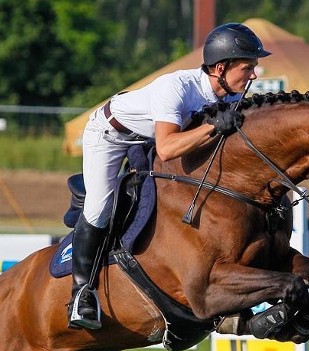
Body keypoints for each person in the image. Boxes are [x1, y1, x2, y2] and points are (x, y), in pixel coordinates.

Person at [68, 22, 271, 331]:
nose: (253, 75)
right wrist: (214, 126)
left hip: (151, 137)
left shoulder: (231, 96)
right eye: (248, 67)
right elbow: (166, 148)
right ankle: (82, 293)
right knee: (100, 207)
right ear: (220, 68)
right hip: (111, 135)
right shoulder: (175, 87)